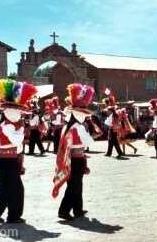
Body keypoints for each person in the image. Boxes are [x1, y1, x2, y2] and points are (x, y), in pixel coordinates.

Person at [0, 79, 37, 223]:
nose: (18, 113)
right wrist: (20, 130)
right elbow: (17, 142)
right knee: (15, 189)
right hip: (6, 160)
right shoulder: (7, 126)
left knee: (4, 188)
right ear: (7, 111)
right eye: (16, 110)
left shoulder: (10, 124)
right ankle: (13, 216)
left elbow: (19, 146)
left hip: (9, 160)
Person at [52, 83, 95, 221]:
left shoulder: (68, 126)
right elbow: (89, 142)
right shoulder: (78, 127)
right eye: (82, 113)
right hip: (76, 159)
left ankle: (77, 209)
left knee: (76, 185)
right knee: (74, 186)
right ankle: (64, 211)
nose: (84, 116)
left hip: (73, 158)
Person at [103, 93, 123, 158]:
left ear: (110, 111)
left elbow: (109, 123)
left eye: (108, 110)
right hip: (112, 129)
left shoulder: (112, 115)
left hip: (112, 129)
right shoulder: (113, 115)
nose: (107, 111)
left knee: (114, 142)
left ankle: (119, 153)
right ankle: (109, 153)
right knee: (110, 141)